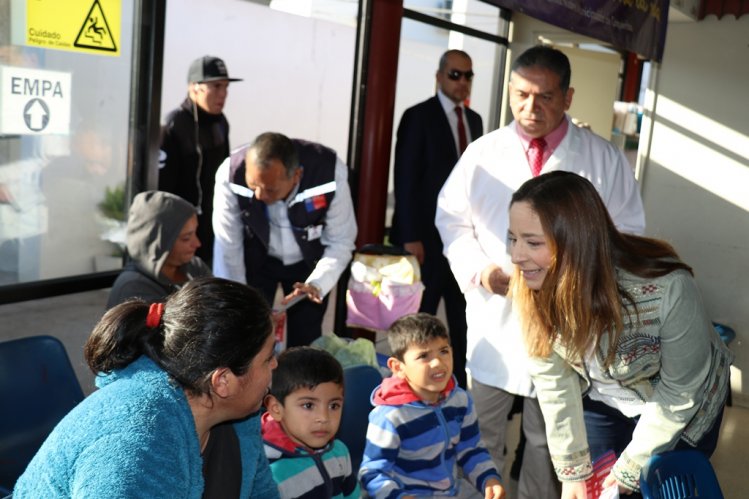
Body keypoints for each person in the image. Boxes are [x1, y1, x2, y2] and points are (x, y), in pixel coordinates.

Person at [435, 44, 645, 498]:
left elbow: (627, 233)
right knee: (479, 436)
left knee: (552, 442)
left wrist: (576, 280)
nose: (531, 108)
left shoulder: (602, 160)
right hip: (496, 317)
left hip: (565, 323)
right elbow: (451, 220)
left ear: (568, 97)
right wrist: (481, 272)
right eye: (521, 94)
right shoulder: (482, 152)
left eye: (545, 97)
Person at [508, 171, 732, 498]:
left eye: (532, 242)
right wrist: (572, 472)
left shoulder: (667, 288)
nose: (515, 256)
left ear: (574, 241)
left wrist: (631, 467)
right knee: (592, 487)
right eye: (512, 238)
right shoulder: (532, 284)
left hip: (682, 406)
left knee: (649, 487)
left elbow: (681, 390)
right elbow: (552, 380)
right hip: (605, 402)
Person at [13, 277, 280, 498]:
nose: (276, 364)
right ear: (223, 381)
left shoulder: (239, 418)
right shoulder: (136, 443)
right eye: (268, 357)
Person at [390, 49, 483, 388]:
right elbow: (405, 179)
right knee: (420, 320)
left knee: (462, 321)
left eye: (468, 75)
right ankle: (410, 386)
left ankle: (455, 389)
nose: (462, 82)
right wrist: (410, 236)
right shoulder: (418, 116)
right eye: (455, 74)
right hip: (424, 242)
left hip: (462, 242)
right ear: (440, 76)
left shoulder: (474, 121)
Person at [213, 131, 357, 347]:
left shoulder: (329, 171)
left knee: (306, 339)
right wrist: (239, 299)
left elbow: (342, 241)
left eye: (270, 188)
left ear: (296, 176)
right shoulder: (230, 172)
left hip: (308, 263)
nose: (260, 195)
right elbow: (227, 244)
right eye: (253, 185)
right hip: (256, 258)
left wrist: (318, 283)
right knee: (249, 335)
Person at [359, 313, 505, 499]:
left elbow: (472, 449)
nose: (438, 362)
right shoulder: (390, 416)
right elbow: (372, 473)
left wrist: (489, 479)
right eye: (423, 356)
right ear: (397, 368)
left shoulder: (459, 400)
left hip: (451, 491)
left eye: (443, 351)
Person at [159, 55, 242, 267]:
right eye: (216, 86)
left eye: (225, 87)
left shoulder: (221, 122)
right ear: (194, 87)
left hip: (213, 229)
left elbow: (225, 173)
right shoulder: (174, 125)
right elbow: (163, 190)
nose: (223, 94)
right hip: (182, 234)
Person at [262, 347, 360, 499]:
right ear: (276, 409)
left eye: (333, 406)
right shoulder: (267, 471)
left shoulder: (340, 452)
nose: (323, 417)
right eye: (308, 405)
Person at [106, 190, 211, 309]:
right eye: (186, 238)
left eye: (195, 233)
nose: (197, 243)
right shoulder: (133, 289)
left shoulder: (196, 267)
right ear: (158, 243)